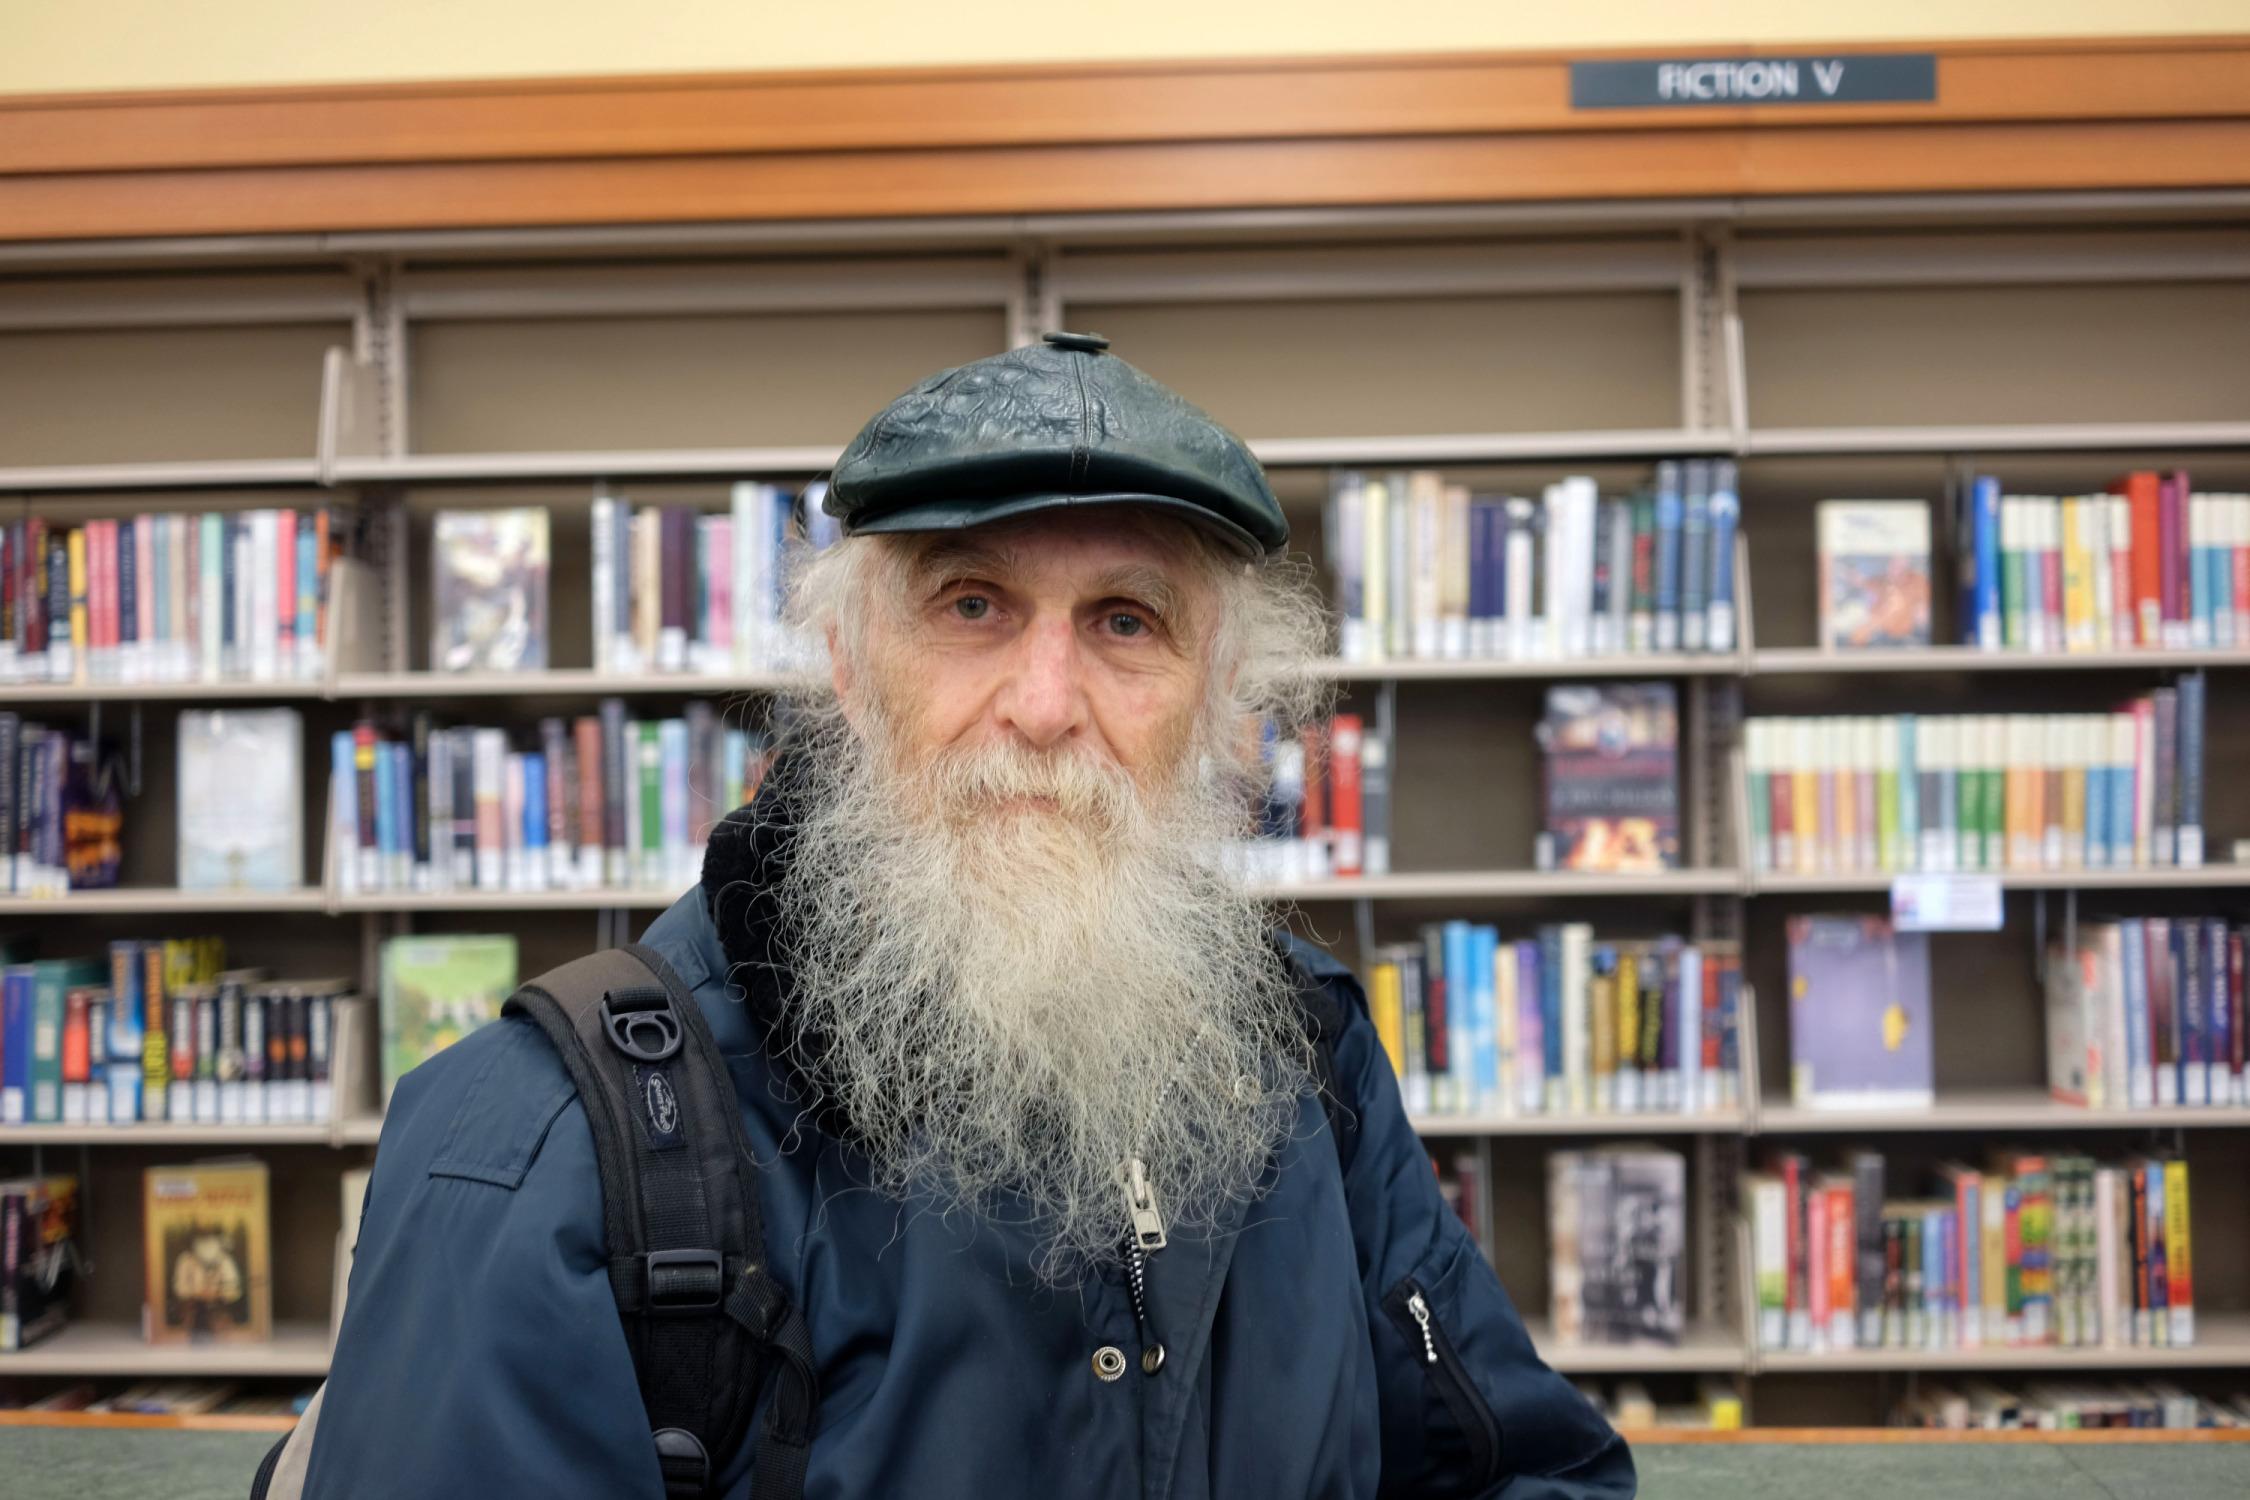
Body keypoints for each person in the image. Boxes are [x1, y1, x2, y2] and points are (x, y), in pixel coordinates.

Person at [302, 331, 1637, 1499]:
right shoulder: (537, 1144)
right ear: (844, 662)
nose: (1045, 704)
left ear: (1221, 700)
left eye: (1126, 621)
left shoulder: (1305, 1057)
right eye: (972, 604)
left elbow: (1529, 1472)